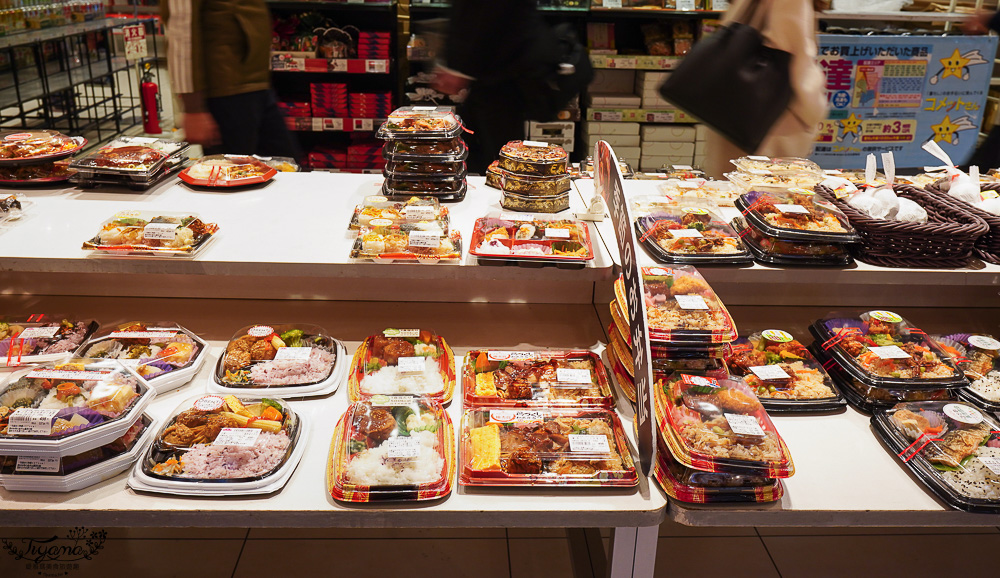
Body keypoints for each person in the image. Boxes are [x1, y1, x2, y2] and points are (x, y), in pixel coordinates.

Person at [161, 0, 301, 161]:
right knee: (232, 176)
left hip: (256, 82)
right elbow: (180, 28)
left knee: (287, 167)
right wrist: (193, 108)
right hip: (224, 90)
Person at [703, 0, 828, 178]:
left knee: (731, 194)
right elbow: (795, 64)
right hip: (771, 120)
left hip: (734, 109)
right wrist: (815, 109)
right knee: (764, 197)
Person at [433, 0, 548, 174]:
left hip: (500, 73)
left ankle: (505, 193)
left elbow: (484, 16)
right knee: (472, 145)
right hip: (493, 73)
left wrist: (457, 67)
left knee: (501, 155)